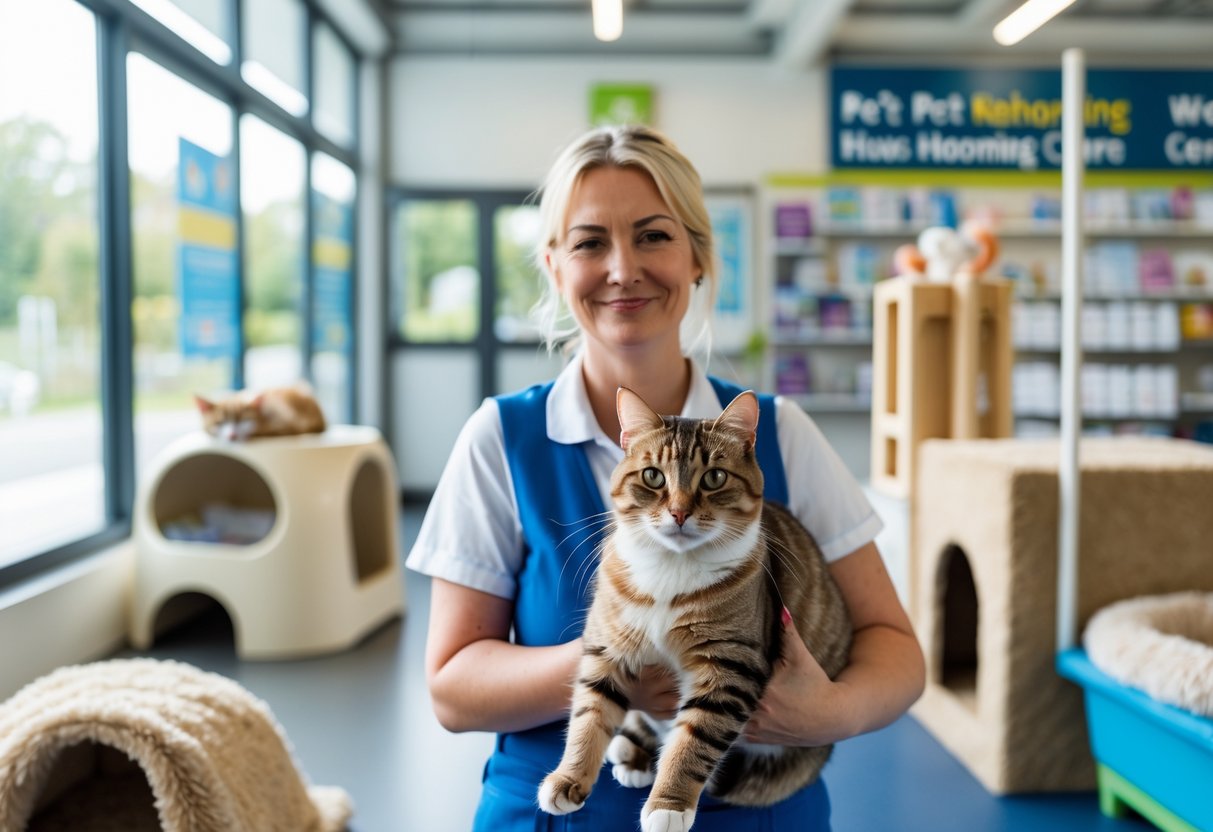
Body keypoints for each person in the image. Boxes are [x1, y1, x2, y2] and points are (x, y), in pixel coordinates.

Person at [405, 124, 925, 831]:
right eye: (590, 242)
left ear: (699, 258)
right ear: (555, 267)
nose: (623, 268)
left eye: (652, 235)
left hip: (755, 810)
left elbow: (895, 650)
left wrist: (827, 713)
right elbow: (451, 692)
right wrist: (622, 665)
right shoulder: (501, 439)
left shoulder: (778, 433)